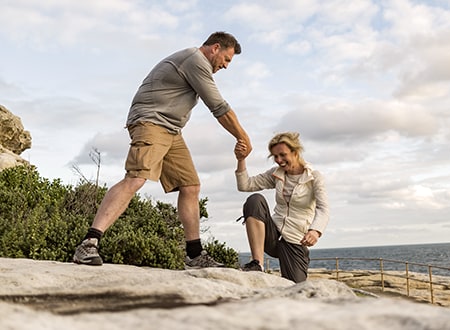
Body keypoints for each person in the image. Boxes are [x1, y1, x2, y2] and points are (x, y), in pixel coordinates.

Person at [73, 31, 252, 268]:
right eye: (227, 59)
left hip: (171, 130)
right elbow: (219, 107)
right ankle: (88, 243)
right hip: (151, 123)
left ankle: (194, 255)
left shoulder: (195, 63)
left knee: (190, 186)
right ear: (215, 48)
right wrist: (243, 137)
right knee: (136, 179)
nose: (226, 66)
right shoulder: (195, 60)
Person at [234, 132, 329, 282]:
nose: (279, 160)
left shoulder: (314, 177)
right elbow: (245, 185)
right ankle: (256, 264)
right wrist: (241, 159)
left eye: (282, 155)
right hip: (272, 234)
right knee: (255, 200)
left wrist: (315, 231)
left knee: (297, 289)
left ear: (295, 152)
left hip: (295, 240)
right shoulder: (276, 174)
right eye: (275, 156)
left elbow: (323, 208)